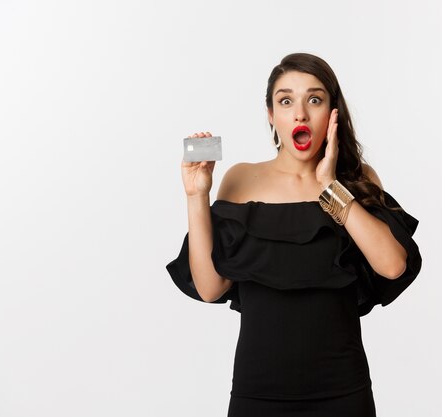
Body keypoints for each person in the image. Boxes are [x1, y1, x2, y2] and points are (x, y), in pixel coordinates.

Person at [166, 52, 423, 417]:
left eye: (314, 100)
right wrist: (196, 196)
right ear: (272, 115)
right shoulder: (241, 178)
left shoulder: (357, 180)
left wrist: (329, 186)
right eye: (285, 101)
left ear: (333, 112)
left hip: (343, 394)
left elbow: (393, 265)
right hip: (258, 395)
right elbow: (210, 288)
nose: (300, 114)